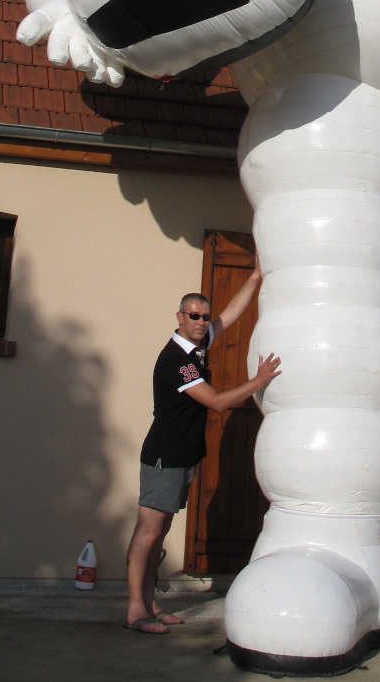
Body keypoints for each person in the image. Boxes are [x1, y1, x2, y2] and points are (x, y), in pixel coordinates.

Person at [124, 265, 280, 634]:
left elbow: (230, 315)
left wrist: (255, 278)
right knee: (148, 532)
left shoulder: (197, 344)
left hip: (184, 455)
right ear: (179, 317)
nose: (201, 322)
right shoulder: (177, 361)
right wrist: (257, 381)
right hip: (164, 455)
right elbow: (218, 402)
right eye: (193, 316)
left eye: (204, 318)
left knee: (159, 532)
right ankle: (135, 610)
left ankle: (150, 603)